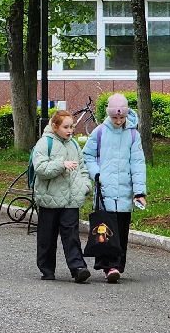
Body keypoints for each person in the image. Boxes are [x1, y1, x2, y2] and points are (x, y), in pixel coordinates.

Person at [83, 93, 148, 282]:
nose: (118, 121)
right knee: (105, 229)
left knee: (121, 230)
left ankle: (117, 265)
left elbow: (138, 164)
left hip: (125, 192)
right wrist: (97, 174)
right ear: (108, 115)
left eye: (121, 117)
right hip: (106, 190)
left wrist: (139, 192)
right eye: (114, 117)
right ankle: (108, 266)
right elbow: (87, 155)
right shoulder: (100, 132)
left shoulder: (133, 134)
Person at [31, 109, 92, 283]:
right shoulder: (44, 143)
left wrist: (85, 186)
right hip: (50, 198)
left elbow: (82, 167)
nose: (70, 130)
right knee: (47, 237)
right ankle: (47, 269)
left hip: (71, 199)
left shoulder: (73, 144)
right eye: (66, 127)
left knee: (71, 235)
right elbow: (41, 169)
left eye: (71, 127)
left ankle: (78, 268)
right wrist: (61, 165)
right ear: (55, 126)